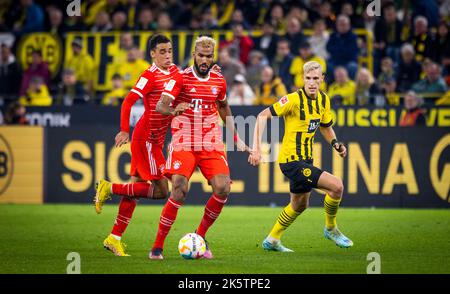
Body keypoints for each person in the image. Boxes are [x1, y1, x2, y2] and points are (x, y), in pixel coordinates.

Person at [150, 36, 250, 260]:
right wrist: (175, 109)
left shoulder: (219, 80)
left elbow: (224, 107)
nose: (204, 60)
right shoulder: (180, 78)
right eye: (201, 55)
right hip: (184, 139)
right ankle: (157, 247)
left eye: (208, 56)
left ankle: (200, 237)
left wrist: (235, 137)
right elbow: (161, 105)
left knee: (223, 188)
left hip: (211, 141)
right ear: (194, 55)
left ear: (213, 57)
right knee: (179, 188)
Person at [93, 34, 185, 257]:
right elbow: (128, 101)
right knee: (163, 190)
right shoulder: (149, 76)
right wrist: (125, 129)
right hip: (147, 139)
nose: (167, 55)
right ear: (152, 54)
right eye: (162, 51)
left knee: (135, 189)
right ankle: (109, 187)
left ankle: (114, 238)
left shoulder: (175, 72)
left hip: (156, 139)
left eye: (169, 50)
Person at [248, 61, 353, 252]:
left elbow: (325, 126)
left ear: (322, 79)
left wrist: (335, 143)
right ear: (302, 78)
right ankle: (331, 228)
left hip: (306, 160)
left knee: (299, 205)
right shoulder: (293, 100)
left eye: (315, 78)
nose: (312, 82)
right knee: (336, 186)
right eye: (308, 78)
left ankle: (272, 240)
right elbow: (262, 115)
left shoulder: (324, 100)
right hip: (291, 161)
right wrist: (256, 149)